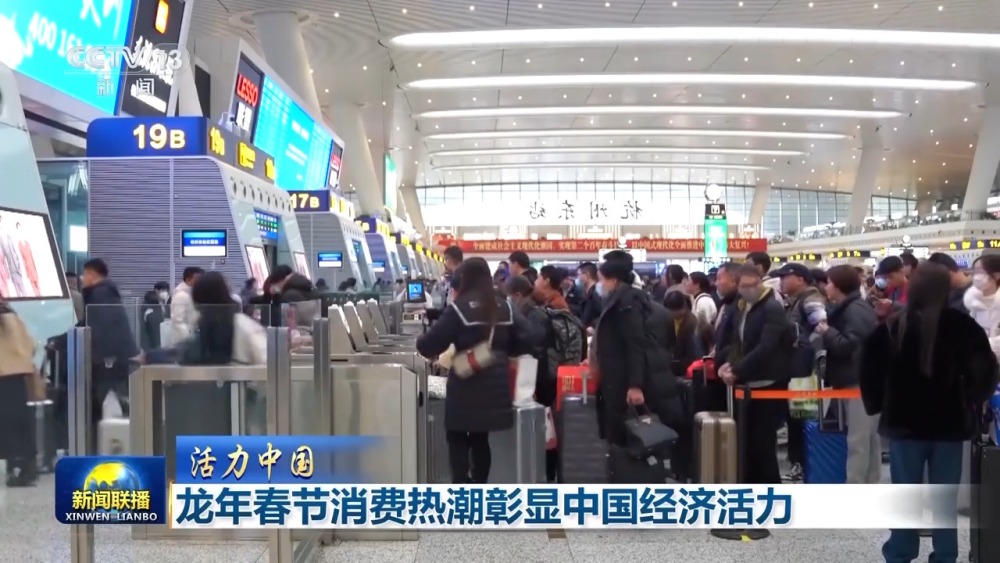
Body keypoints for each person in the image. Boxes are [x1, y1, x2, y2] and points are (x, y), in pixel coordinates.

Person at [860, 263, 998, 563]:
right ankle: (946, 554)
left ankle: (900, 552)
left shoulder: (892, 327)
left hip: (904, 425)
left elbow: (869, 370)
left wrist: (880, 405)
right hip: (949, 425)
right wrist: (971, 400)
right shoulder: (963, 327)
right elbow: (985, 371)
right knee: (944, 498)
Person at [416, 258, 540, 483]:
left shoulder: (460, 307)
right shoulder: (504, 306)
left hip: (465, 385)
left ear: (464, 278)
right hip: (495, 388)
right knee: (480, 439)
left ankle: (461, 487)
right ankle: (480, 487)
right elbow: (530, 337)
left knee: (457, 437)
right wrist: (502, 350)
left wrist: (421, 340)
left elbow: (429, 345)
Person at [593, 252, 681, 448]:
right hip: (619, 380)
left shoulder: (627, 303)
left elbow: (634, 344)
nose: (600, 285)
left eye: (602, 280)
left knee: (630, 440)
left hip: (624, 383)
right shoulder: (624, 300)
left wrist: (635, 385)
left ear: (614, 280)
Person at [715, 264, 792, 484]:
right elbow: (738, 343)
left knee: (763, 443)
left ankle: (771, 489)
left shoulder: (772, 307)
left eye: (754, 284)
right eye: (745, 285)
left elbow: (766, 347)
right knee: (747, 442)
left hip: (768, 382)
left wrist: (736, 370)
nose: (750, 289)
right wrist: (728, 364)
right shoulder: (741, 306)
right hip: (749, 381)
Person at [816, 265, 879, 484]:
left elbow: (850, 345)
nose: (826, 287)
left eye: (829, 283)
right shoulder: (848, 307)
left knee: (859, 440)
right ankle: (869, 484)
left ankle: (856, 485)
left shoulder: (855, 310)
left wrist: (828, 332)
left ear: (839, 286)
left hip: (858, 382)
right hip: (858, 380)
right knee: (867, 439)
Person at [771, 262, 828, 482]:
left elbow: (821, 330)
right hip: (798, 370)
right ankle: (799, 463)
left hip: (806, 373)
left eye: (785, 277)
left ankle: (803, 464)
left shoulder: (811, 300)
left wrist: (803, 351)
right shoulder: (796, 301)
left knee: (801, 420)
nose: (781, 281)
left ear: (800, 280)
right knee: (795, 419)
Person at [80, 258, 139, 441]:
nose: (82, 278)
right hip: (115, 356)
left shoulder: (100, 294)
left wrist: (101, 356)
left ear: (91, 274)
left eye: (84, 274)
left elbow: (101, 325)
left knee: (102, 399)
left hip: (109, 359)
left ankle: (100, 442)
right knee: (116, 398)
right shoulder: (104, 292)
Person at [177, 272, 267, 365]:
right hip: (243, 372)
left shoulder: (199, 326)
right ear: (226, 293)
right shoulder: (243, 323)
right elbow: (264, 358)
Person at [0, 297, 39, 486]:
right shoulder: (13, 315)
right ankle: (26, 466)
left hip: (2, 376)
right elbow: (32, 345)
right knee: (21, 421)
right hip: (18, 377)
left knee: (7, 422)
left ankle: (15, 465)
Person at [963, 254, 1000, 356]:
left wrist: (979, 345)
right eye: (974, 271)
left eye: (980, 271)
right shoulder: (974, 303)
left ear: (997, 275)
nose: (975, 276)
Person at [663, 290, 705, 376]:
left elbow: (695, 355)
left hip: (689, 370)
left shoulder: (693, 324)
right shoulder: (670, 321)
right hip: (676, 368)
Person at [170, 267, 204, 345]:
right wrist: (188, 338)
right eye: (197, 279)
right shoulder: (181, 295)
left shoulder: (191, 294)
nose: (199, 282)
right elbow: (178, 320)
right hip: (183, 341)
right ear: (188, 279)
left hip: (191, 336)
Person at [140, 281, 171, 351]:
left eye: (166, 291)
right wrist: (144, 346)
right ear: (156, 290)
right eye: (162, 290)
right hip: (154, 340)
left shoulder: (168, 303)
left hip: (167, 338)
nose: (165, 293)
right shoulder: (148, 304)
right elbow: (143, 327)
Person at [576, 261, 603, 331]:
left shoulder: (597, 293)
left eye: (579, 274)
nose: (578, 278)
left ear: (587, 275)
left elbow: (603, 312)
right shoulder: (588, 293)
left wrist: (593, 326)